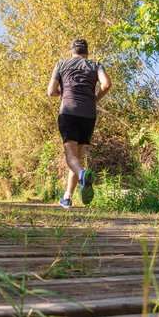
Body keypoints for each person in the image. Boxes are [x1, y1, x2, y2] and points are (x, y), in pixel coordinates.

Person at [47, 38, 112, 208]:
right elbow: (106, 84)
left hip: (68, 111)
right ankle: (68, 197)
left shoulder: (61, 64)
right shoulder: (96, 65)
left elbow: (51, 91)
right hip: (88, 114)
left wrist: (64, 92)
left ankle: (83, 175)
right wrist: (95, 100)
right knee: (78, 157)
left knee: (71, 156)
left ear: (71, 53)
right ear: (87, 53)